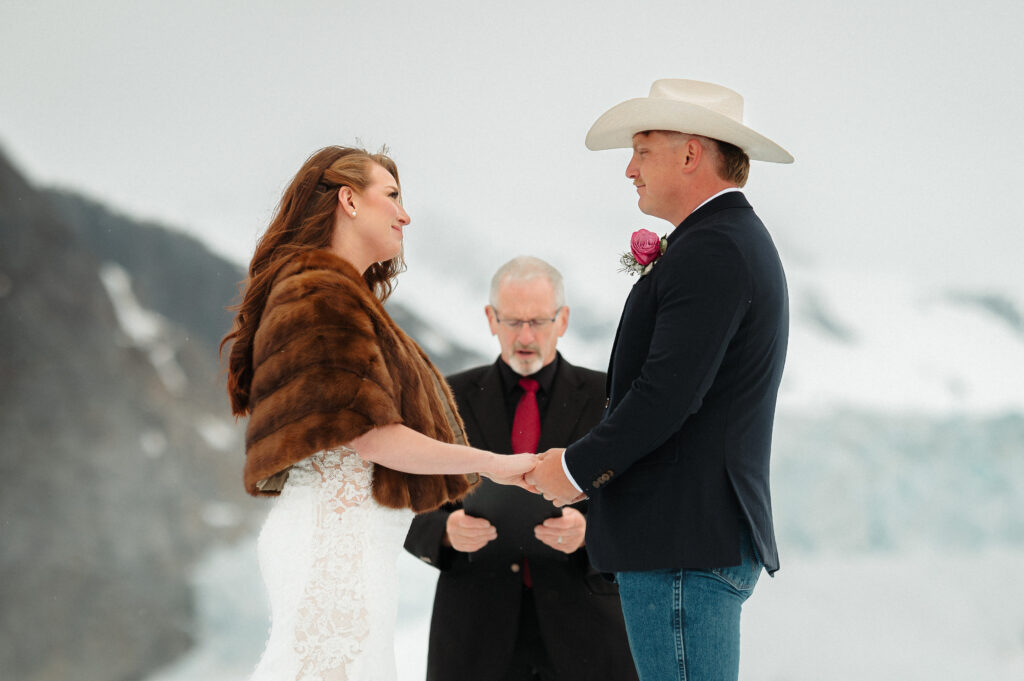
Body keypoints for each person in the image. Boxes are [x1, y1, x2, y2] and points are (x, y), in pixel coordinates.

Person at [221, 146, 536, 681]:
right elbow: (368, 435)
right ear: (348, 199)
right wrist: (493, 462)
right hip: (333, 544)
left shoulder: (333, 291)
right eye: (391, 196)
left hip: (349, 541)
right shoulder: (318, 291)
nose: (404, 214)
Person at [525, 79, 793, 681]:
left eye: (643, 150)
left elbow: (666, 396)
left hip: (682, 542)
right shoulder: (722, 241)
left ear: (691, 154)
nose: (629, 169)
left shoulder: (714, 248)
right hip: (689, 539)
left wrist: (572, 469)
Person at [404, 256, 639, 681]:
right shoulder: (444, 397)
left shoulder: (609, 396)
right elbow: (403, 500)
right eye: (512, 322)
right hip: (473, 638)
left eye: (538, 321)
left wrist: (591, 533)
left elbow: (643, 504)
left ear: (563, 319)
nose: (525, 336)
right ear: (491, 319)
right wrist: (444, 532)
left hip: (588, 636)